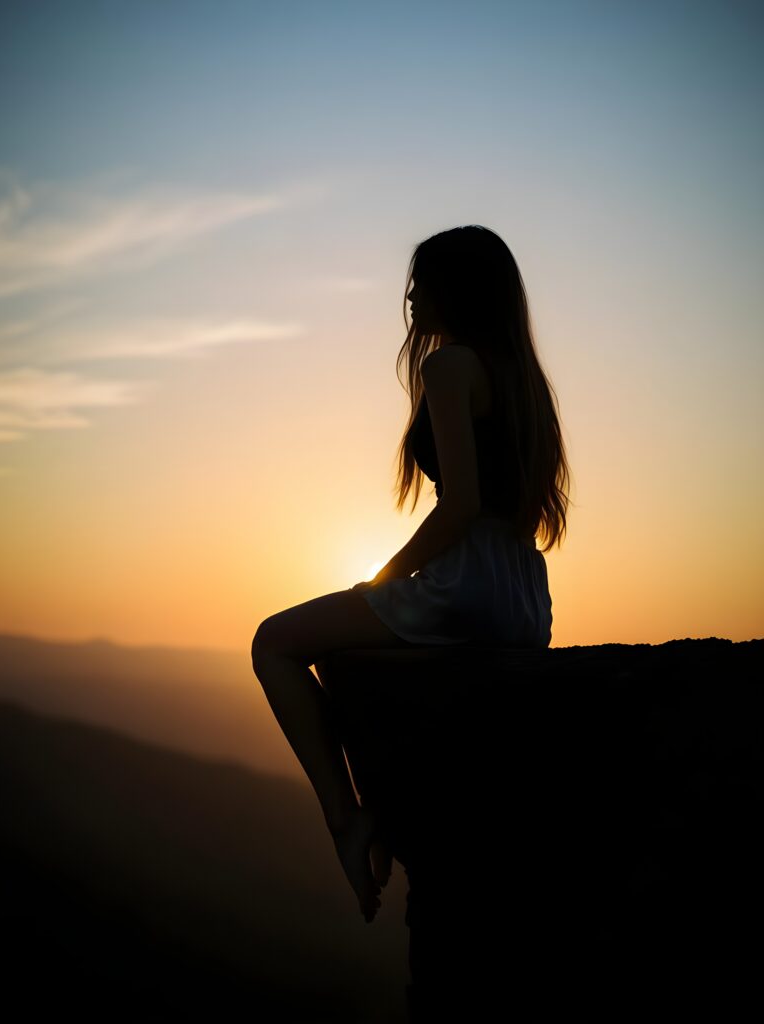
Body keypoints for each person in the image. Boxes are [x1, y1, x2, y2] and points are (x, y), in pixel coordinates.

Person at [251, 225, 572, 924]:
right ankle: (380, 805)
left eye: (422, 284)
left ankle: (348, 820)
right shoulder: (524, 380)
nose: (410, 298)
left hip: (465, 586)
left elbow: (459, 506)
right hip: (523, 596)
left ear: (456, 290)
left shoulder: (450, 366)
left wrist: (384, 578)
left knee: (273, 643)